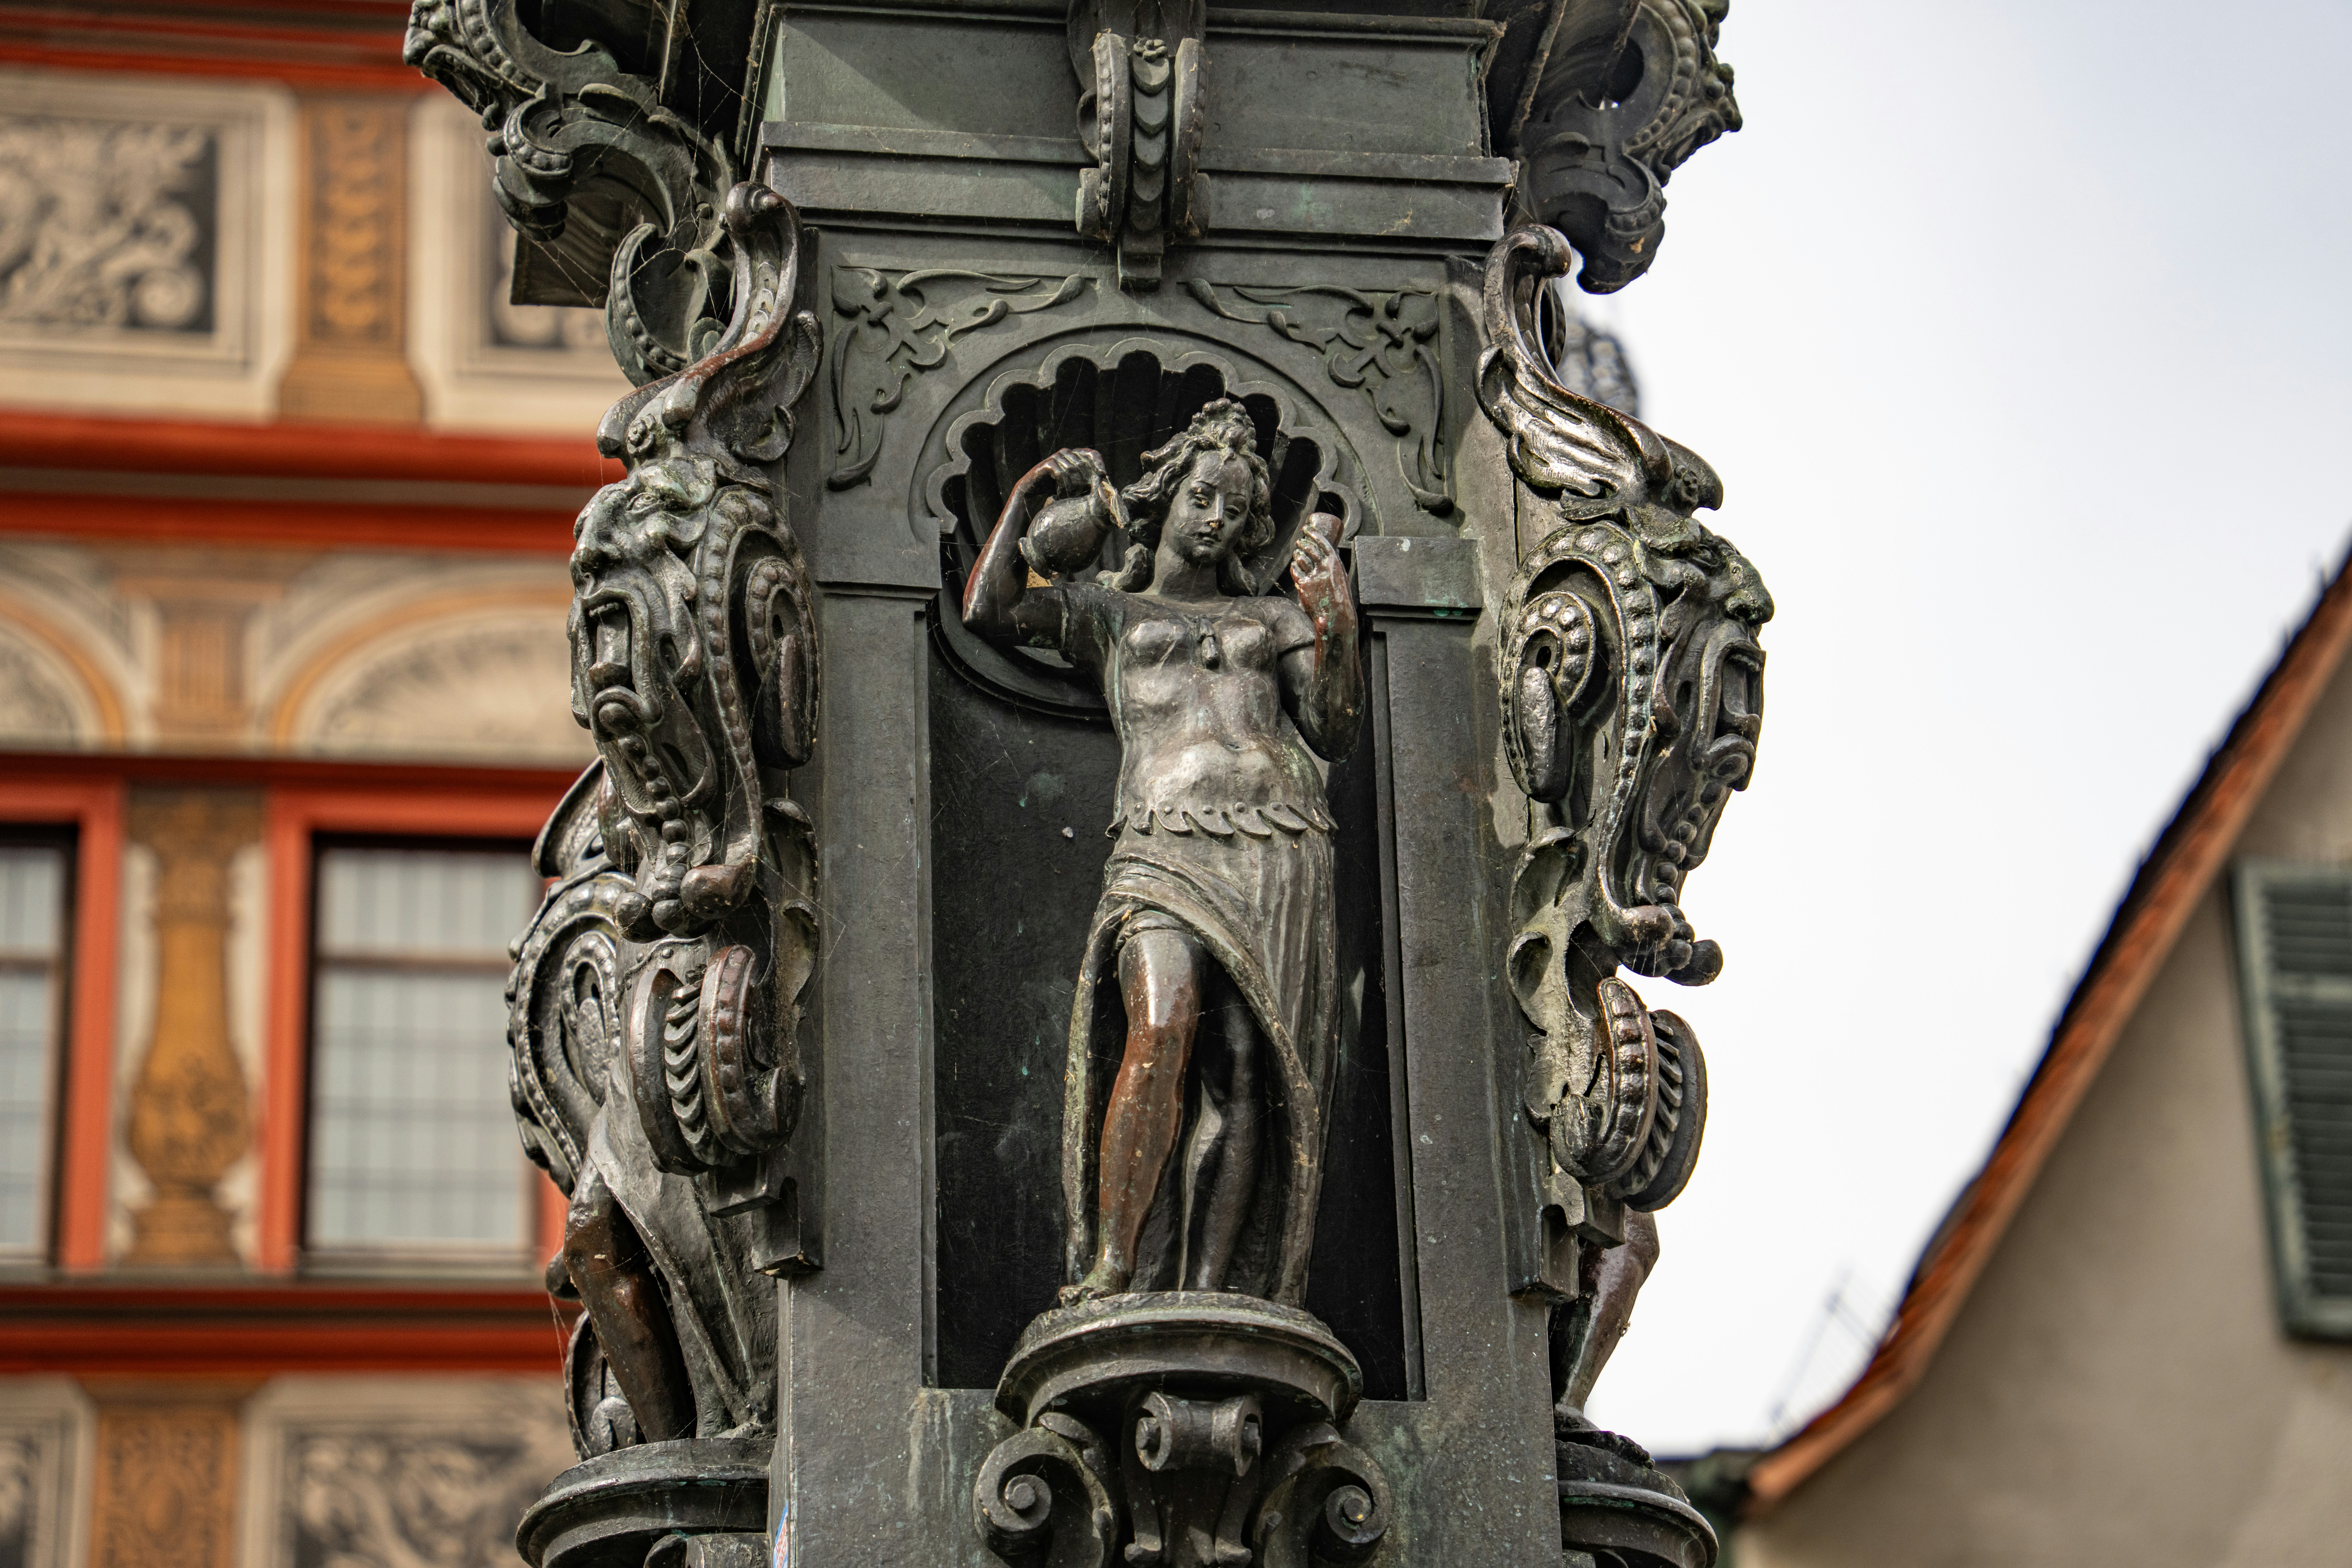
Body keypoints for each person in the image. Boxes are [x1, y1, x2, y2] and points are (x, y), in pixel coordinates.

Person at [962, 399, 1362, 1306]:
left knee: (1243, 1064)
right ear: (1169, 494)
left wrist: (1334, 623)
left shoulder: (1271, 616)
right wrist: (1029, 491)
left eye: (1235, 507)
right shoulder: (1113, 612)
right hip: (1162, 844)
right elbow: (988, 609)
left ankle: (1213, 1289)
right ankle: (1116, 1260)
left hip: (1276, 845)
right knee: (1162, 1021)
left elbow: (1333, 727)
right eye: (1202, 496)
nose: (1215, 517)